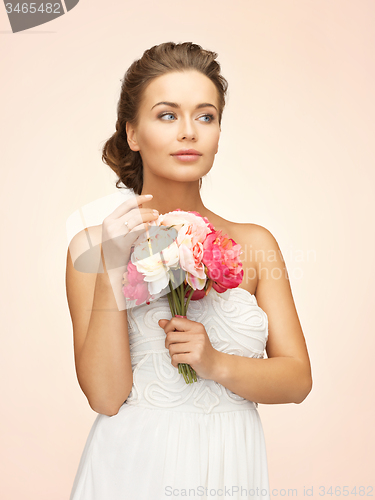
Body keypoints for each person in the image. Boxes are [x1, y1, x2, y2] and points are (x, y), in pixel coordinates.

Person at [66, 41, 313, 500]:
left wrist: (216, 363)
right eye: (166, 115)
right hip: (131, 471)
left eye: (205, 116)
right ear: (132, 133)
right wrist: (112, 265)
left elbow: (298, 380)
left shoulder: (255, 244)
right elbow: (105, 396)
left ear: (219, 131)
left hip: (228, 468)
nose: (188, 133)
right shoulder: (92, 248)